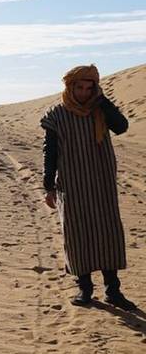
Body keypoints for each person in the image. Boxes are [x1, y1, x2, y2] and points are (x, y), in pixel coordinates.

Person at [41, 64, 135, 310]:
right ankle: (85, 289)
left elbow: (122, 127)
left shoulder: (101, 110)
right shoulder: (56, 115)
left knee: (108, 232)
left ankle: (113, 291)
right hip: (72, 184)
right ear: (70, 88)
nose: (84, 93)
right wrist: (48, 186)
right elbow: (49, 152)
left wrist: (103, 103)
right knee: (77, 234)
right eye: (79, 88)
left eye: (88, 88)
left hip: (101, 182)